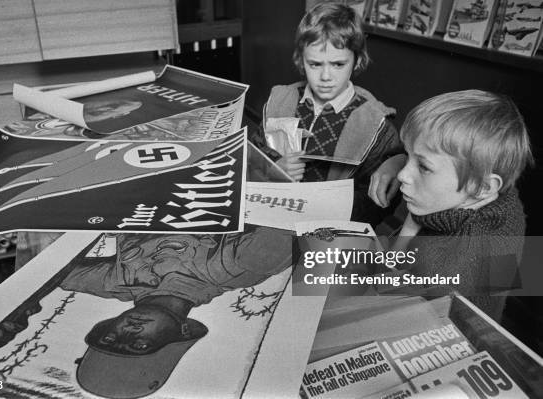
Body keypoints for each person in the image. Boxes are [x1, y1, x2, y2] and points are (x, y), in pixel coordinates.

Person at [59, 226, 293, 398]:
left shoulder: (113, 282)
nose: (129, 331)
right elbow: (311, 217)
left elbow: (48, 271)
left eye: (111, 338)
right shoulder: (243, 265)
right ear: (181, 333)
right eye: (140, 344)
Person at [372, 90, 533, 321]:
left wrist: (408, 228)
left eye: (423, 167)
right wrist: (396, 159)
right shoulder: (491, 192)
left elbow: (383, 287)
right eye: (408, 156)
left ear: (482, 186)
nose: (403, 175)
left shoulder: (451, 267)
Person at [249, 1, 403, 225]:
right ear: (301, 60)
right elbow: (254, 159)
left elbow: (381, 200)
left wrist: (327, 206)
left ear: (357, 61)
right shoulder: (280, 101)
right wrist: (273, 172)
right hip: (275, 221)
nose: (326, 77)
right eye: (315, 64)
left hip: (329, 234)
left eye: (338, 64)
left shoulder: (375, 123)